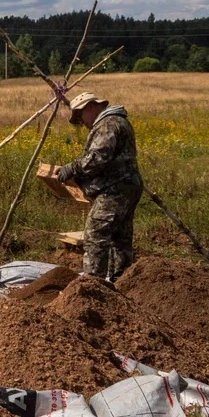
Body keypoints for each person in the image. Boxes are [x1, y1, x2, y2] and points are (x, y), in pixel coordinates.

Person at [56, 92, 143, 283]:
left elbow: (97, 159)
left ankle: (92, 285)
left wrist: (73, 168)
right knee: (120, 239)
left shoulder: (108, 124)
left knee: (95, 235)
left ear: (90, 107)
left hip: (115, 190)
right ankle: (122, 282)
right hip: (125, 186)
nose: (81, 122)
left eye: (80, 116)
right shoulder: (116, 121)